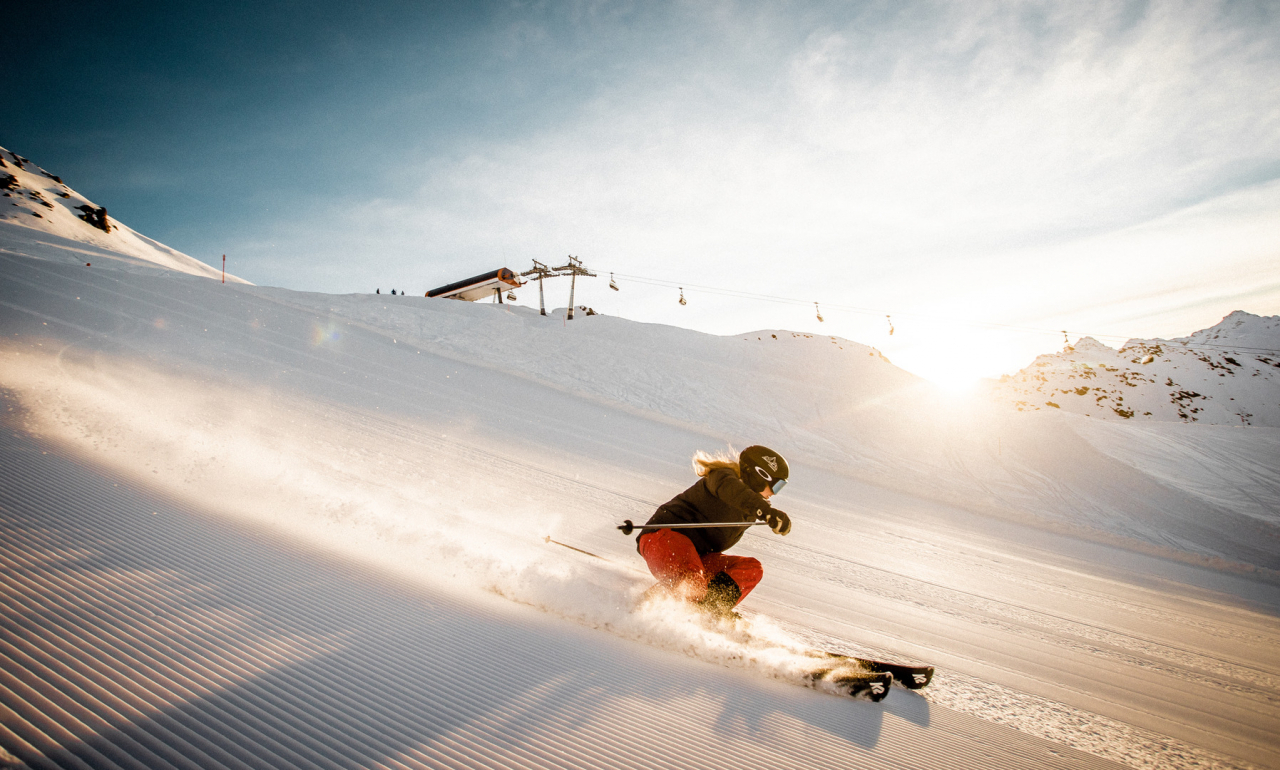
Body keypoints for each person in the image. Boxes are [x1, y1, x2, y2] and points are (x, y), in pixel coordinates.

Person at [636, 445, 792, 616]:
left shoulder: (750, 511)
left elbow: (747, 500)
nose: (775, 494)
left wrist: (767, 513)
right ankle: (643, 608)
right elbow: (736, 493)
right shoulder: (722, 477)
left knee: (752, 568)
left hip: (695, 558)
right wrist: (766, 512)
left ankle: (710, 607)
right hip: (662, 540)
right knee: (693, 579)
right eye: (776, 486)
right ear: (760, 475)